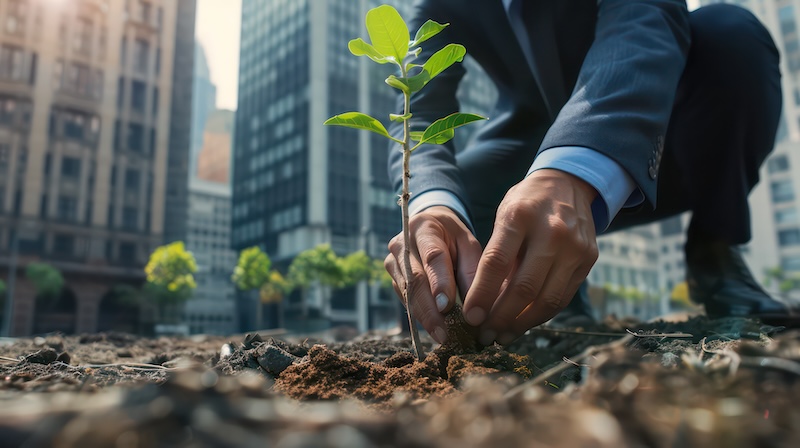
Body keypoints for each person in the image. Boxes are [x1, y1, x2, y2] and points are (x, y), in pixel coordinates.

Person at [384, 0, 795, 348]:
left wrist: (571, 170)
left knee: (731, 34)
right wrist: (432, 204)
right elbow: (419, 111)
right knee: (455, 198)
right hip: (522, 149)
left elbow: (644, 16)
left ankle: (714, 251)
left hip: (666, 131)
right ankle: (549, 296)